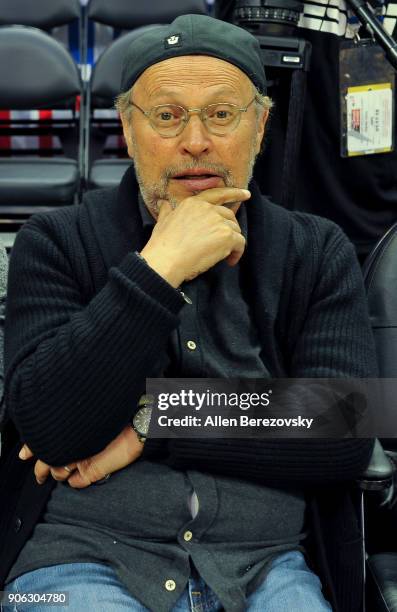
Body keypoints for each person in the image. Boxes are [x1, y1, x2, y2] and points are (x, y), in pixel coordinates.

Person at [0, 14, 377, 612]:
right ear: (127, 128)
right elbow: (49, 426)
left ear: (260, 126)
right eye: (168, 115)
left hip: (265, 565)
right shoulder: (55, 240)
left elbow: (344, 424)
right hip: (84, 559)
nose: (195, 141)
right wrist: (160, 268)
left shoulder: (315, 249)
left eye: (222, 115)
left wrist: (152, 424)